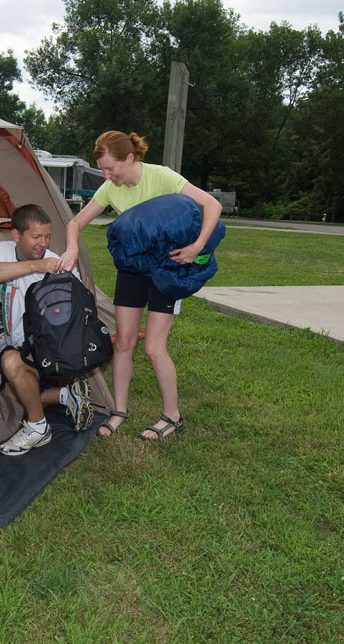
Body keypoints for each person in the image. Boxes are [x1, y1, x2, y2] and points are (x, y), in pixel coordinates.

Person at [57, 131, 222, 441]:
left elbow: (212, 205)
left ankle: (172, 417)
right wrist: (72, 248)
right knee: (123, 343)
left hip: (168, 268)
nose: (106, 176)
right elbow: (75, 222)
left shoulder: (162, 177)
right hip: (134, 268)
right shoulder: (110, 188)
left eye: (111, 168)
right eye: (102, 170)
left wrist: (197, 246)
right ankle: (119, 411)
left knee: (154, 347)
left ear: (130, 158)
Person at [0, 204, 92, 455]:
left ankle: (38, 427)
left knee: (10, 362)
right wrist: (36, 266)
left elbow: (79, 313)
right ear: (16, 235)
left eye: (47, 236)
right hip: (20, 343)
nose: (43, 243)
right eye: (36, 236)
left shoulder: (58, 264)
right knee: (10, 402)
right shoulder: (4, 250)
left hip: (52, 349)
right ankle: (66, 396)